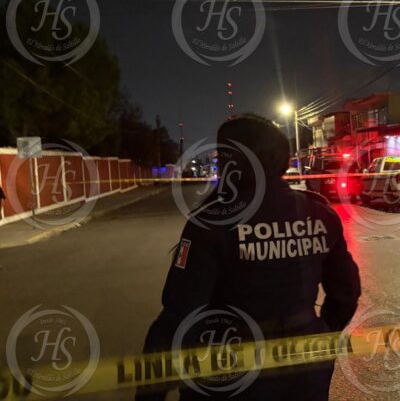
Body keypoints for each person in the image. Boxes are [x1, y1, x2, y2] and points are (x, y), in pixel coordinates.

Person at [137, 114, 361, 401]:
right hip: (305, 369)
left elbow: (180, 315)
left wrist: (150, 391)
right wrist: (320, 332)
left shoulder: (212, 222)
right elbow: (346, 292)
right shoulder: (319, 213)